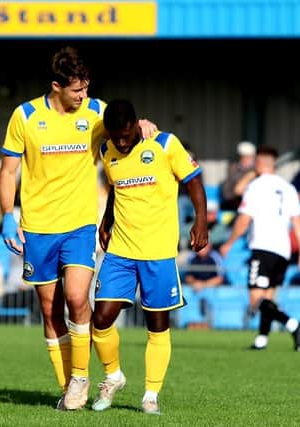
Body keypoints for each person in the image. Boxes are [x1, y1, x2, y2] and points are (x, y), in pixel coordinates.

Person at [0, 46, 156, 410]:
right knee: (50, 311)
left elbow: (124, 125)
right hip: (36, 228)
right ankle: (70, 387)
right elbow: (8, 172)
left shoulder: (96, 112)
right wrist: (7, 214)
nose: (83, 95)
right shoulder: (24, 116)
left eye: (86, 88)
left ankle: (81, 378)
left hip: (79, 226)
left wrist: (144, 124)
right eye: (76, 90)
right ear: (56, 86)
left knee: (77, 298)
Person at [90, 99, 207, 415]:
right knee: (100, 320)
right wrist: (107, 220)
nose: (121, 141)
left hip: (158, 253)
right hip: (121, 251)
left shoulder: (165, 143)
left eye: (126, 135)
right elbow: (117, 187)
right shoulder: (106, 151)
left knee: (157, 325)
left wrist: (201, 220)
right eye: (116, 136)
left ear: (136, 126)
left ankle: (150, 395)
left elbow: (193, 180)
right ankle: (113, 376)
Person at [220, 145, 300, 351]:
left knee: (256, 299)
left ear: (259, 164)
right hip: (283, 251)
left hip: (263, 246)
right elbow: (297, 223)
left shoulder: (256, 186)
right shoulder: (287, 188)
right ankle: (262, 340)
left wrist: (228, 243)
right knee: (268, 297)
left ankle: (294, 325)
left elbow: (244, 218)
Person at [219, 141, 257, 211]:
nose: (246, 159)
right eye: (243, 156)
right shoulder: (233, 168)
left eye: (249, 157)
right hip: (233, 203)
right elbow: (231, 191)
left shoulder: (256, 170)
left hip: (249, 204)